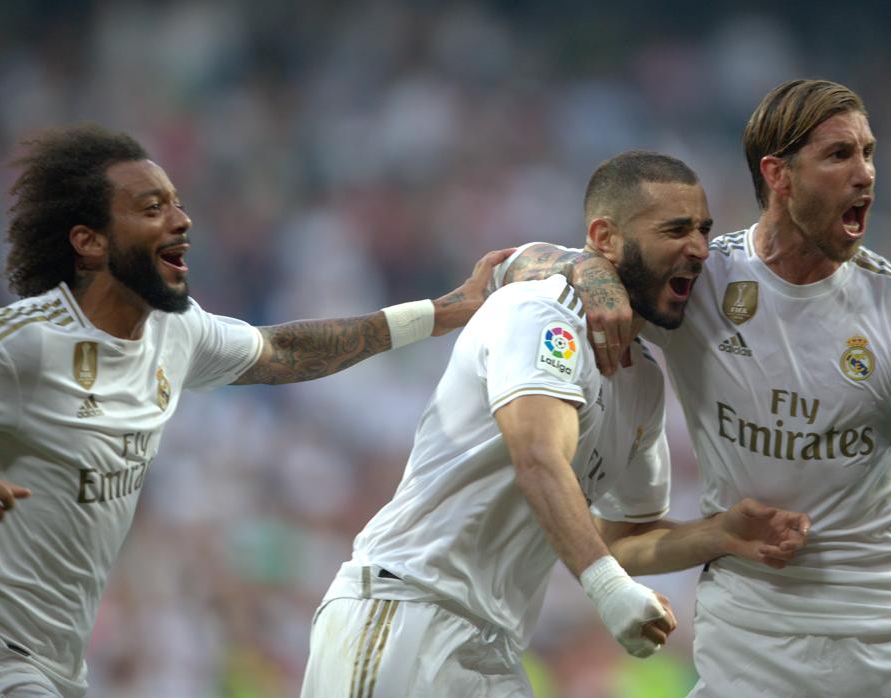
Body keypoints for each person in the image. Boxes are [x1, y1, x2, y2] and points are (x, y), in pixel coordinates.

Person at [0, 123, 513, 697]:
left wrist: (439, 313)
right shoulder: (13, 346)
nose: (181, 221)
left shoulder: (175, 332)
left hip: (61, 668)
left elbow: (284, 349)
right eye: (152, 208)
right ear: (90, 241)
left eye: (177, 205)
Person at [501, 79, 891, 696]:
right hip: (753, 630)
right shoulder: (703, 281)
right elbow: (516, 265)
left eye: (869, 154)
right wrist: (590, 273)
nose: (865, 174)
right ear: (778, 175)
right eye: (840, 155)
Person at [300, 151, 810, 697]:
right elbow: (538, 457)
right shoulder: (540, 310)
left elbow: (623, 536)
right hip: (406, 614)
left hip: (491, 646)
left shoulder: (641, 382)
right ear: (605, 237)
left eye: (704, 231)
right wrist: (609, 590)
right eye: (676, 230)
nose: (699, 250)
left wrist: (718, 534)